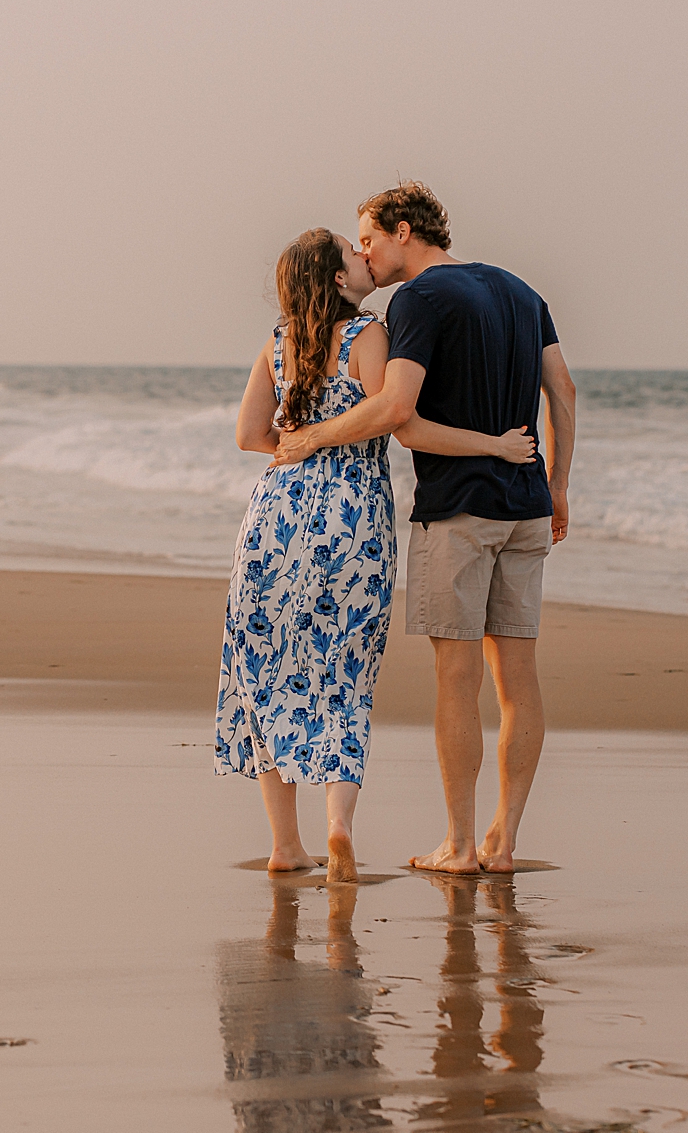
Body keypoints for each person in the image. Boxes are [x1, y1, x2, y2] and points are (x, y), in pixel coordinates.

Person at [216, 229, 537, 882]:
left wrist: (298, 440)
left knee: (269, 673)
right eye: (353, 255)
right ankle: (339, 827)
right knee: (344, 676)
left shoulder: (276, 347)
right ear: (338, 280)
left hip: (274, 518)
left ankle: (286, 845)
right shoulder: (367, 336)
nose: (366, 260)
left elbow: (251, 434)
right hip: (351, 518)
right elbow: (399, 418)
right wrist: (495, 446)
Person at [276, 183, 577, 875]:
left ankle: (460, 845)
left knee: (456, 678)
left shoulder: (418, 300)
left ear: (403, 230)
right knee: (519, 679)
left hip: (460, 515)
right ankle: (505, 843)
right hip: (527, 508)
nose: (364, 254)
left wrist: (313, 437)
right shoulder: (521, 291)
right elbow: (561, 391)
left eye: (370, 239)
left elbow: (396, 410)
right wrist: (557, 484)